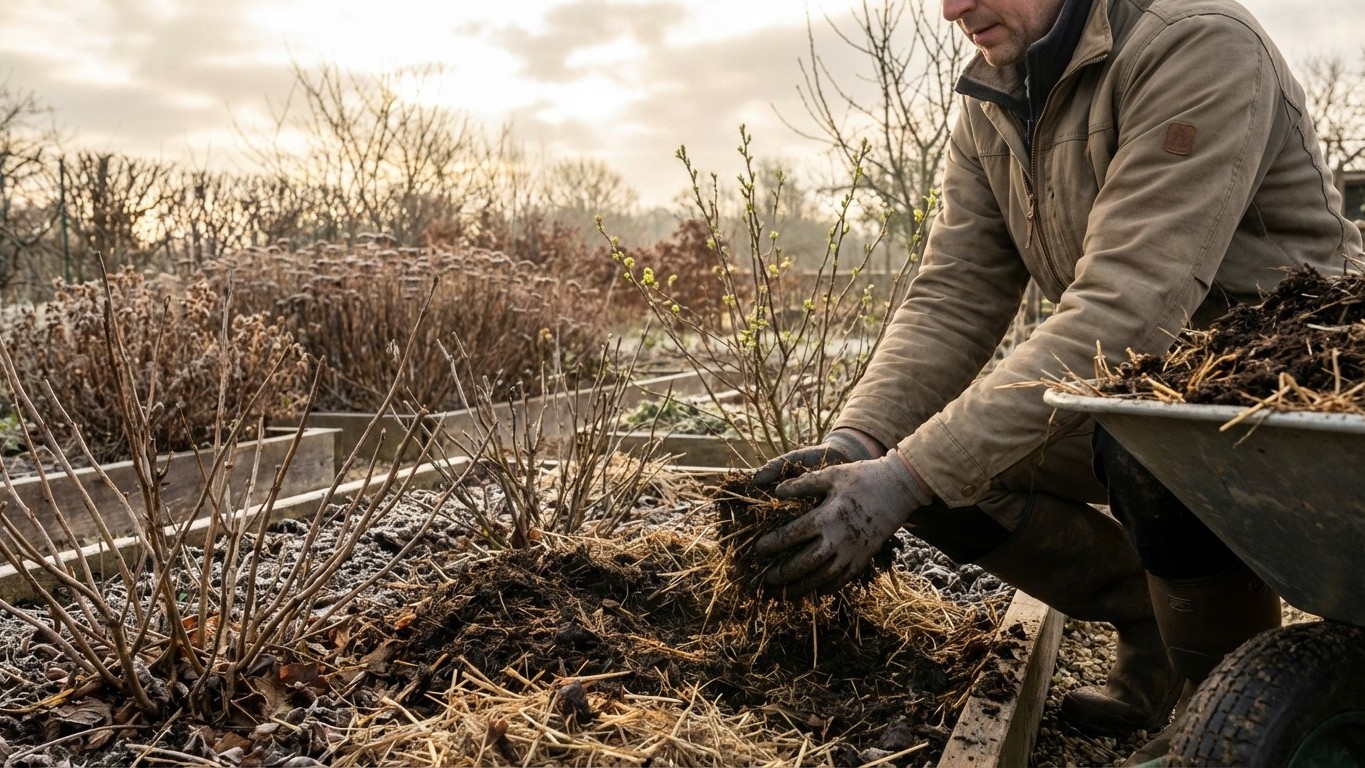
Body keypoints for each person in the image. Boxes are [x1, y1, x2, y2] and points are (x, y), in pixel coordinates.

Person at [751, 0, 1365, 762]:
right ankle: (1153, 627)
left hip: (1290, 391)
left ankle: (1215, 698)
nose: (952, 9)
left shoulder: (1197, 46)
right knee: (948, 464)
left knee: (1146, 446)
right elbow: (956, 290)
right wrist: (858, 443)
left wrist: (905, 475)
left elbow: (1130, 303)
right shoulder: (996, 97)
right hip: (1137, 384)